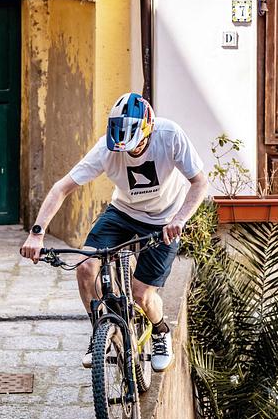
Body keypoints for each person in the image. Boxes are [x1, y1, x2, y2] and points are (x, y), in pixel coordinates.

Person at [20, 92, 208, 372]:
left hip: (165, 219)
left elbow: (199, 183)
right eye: (122, 148)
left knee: (141, 295)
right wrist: (37, 233)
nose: (128, 153)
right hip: (122, 212)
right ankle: (100, 332)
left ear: (149, 130)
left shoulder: (170, 135)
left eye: (134, 147)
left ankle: (159, 331)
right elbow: (62, 187)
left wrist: (179, 219)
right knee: (85, 267)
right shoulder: (107, 148)